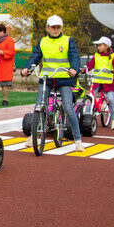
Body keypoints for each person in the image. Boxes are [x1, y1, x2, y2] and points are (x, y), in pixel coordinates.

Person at [21, 15, 84, 152]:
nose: (55, 30)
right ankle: (33, 137)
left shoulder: (68, 41)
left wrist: (74, 68)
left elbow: (74, 56)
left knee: (68, 107)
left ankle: (78, 140)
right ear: (48, 28)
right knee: (39, 106)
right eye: (53, 27)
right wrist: (28, 69)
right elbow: (35, 57)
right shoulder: (43, 41)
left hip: (64, 79)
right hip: (47, 79)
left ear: (61, 28)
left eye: (58, 27)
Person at [87, 36, 114, 130]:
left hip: (108, 83)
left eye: (100, 45)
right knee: (90, 98)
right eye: (98, 45)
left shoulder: (113, 56)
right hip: (97, 82)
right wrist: (84, 69)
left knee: (110, 99)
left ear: (106, 46)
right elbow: (91, 64)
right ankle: (86, 117)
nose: (98, 47)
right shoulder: (96, 55)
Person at [0, 23, 16, 106]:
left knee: (5, 84)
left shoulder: (9, 40)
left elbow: (12, 52)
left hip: (5, 65)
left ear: (2, 31)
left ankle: (5, 100)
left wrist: (2, 52)